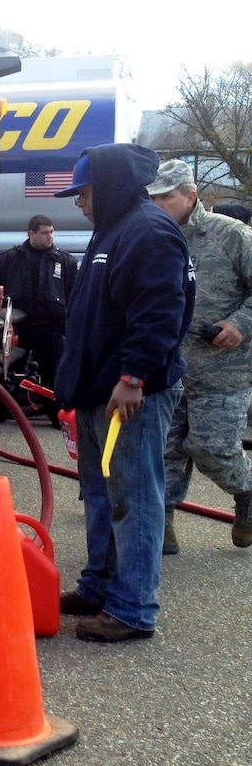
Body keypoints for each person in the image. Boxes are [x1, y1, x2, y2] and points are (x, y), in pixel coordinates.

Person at [53, 144, 194, 643]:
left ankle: (133, 608)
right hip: (99, 392)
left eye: (84, 192)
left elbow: (160, 312)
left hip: (130, 395)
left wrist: (132, 378)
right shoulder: (112, 230)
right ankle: (99, 587)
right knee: (100, 494)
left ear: (108, 186)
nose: (78, 202)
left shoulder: (148, 232)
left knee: (133, 497)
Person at [147, 159, 252, 553]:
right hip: (170, 366)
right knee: (165, 450)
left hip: (223, 368)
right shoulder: (154, 238)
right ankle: (164, 523)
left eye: (166, 197)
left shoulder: (232, 235)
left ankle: (247, 492)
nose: (158, 205)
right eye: (153, 197)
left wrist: (240, 323)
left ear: (191, 197)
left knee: (211, 448)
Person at [0, 214, 78, 425]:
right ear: (31, 233)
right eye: (45, 233)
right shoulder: (9, 259)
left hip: (50, 327)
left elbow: (75, 294)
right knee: (6, 371)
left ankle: (56, 415)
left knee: (53, 374)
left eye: (52, 232)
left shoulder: (65, 261)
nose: (50, 237)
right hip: (18, 327)